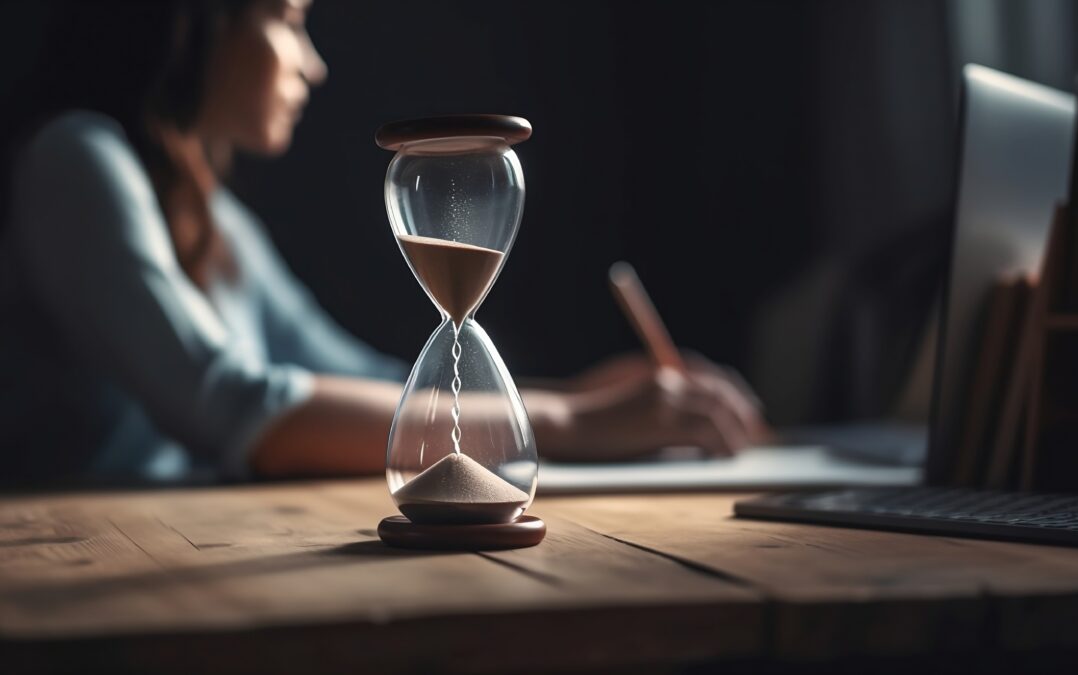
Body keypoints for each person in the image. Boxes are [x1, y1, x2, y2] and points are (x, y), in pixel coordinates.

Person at [0, 0, 766, 485]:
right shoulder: (75, 159)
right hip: (89, 558)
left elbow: (354, 377)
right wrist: (561, 427)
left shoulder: (217, 221)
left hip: (192, 537)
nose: (314, 63)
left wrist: (580, 396)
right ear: (199, 19)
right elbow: (240, 409)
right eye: (292, 22)